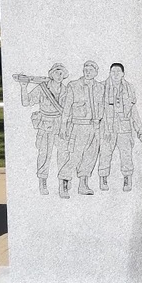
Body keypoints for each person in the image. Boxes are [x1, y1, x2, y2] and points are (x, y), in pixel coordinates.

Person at [12, 64, 67, 194]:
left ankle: (63, 183)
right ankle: (42, 183)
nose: (59, 76)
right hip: (45, 124)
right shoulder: (42, 88)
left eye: (61, 73)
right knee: (44, 154)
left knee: (63, 155)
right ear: (51, 74)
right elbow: (26, 102)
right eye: (56, 72)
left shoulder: (66, 90)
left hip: (61, 125)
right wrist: (23, 87)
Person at [97, 62, 142, 191]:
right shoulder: (102, 87)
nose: (115, 74)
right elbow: (98, 108)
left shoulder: (129, 88)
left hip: (124, 126)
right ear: (109, 73)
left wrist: (139, 129)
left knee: (126, 153)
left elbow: (133, 110)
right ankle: (103, 178)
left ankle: (127, 179)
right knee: (105, 153)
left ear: (123, 74)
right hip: (107, 126)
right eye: (112, 72)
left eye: (118, 72)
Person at [57, 60, 102, 197]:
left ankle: (83, 185)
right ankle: (64, 184)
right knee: (75, 156)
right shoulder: (73, 85)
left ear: (96, 72)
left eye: (91, 70)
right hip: (79, 126)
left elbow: (102, 107)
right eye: (86, 69)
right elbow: (66, 108)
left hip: (94, 126)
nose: (88, 72)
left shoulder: (100, 87)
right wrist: (63, 127)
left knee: (90, 156)